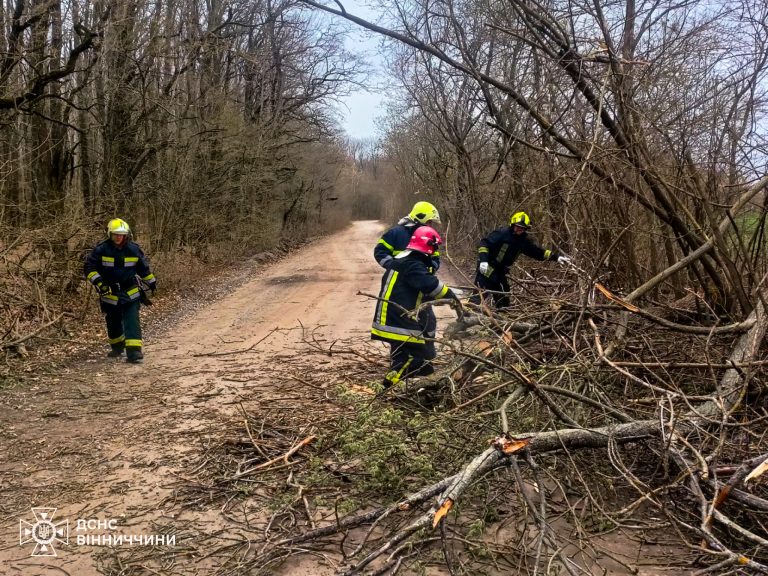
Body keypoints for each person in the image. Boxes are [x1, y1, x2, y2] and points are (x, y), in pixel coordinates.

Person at [371, 225, 460, 389]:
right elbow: (431, 286)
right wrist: (454, 298)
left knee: (421, 360)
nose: (435, 252)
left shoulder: (404, 259)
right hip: (399, 319)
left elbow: (417, 291)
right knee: (414, 358)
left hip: (398, 316)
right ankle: (387, 388)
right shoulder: (413, 264)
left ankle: (424, 389)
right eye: (435, 248)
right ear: (428, 246)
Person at [84, 218, 157, 363]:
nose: (119, 237)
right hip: (109, 292)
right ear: (110, 234)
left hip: (130, 291)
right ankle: (117, 346)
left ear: (126, 235)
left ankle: (134, 352)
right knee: (113, 320)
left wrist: (151, 281)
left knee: (132, 319)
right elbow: (89, 268)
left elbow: (143, 268)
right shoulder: (101, 249)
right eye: (116, 234)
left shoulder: (133, 249)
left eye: (121, 234)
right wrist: (100, 283)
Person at [472, 211, 570, 308]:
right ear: (513, 224)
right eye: (518, 226)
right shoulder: (501, 233)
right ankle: (467, 313)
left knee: (503, 300)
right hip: (488, 268)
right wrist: (483, 261)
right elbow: (484, 244)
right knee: (478, 297)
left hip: (500, 272)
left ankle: (499, 316)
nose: (520, 229)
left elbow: (538, 252)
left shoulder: (523, 242)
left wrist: (556, 257)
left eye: (522, 228)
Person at [374, 201, 441, 271]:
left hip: (421, 276)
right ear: (421, 217)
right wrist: (393, 265)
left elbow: (435, 257)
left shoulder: (428, 237)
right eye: (429, 222)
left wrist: (429, 269)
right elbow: (380, 252)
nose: (430, 225)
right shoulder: (395, 233)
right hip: (398, 276)